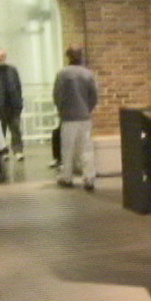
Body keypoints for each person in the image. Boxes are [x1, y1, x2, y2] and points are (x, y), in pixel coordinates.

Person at [53, 44, 98, 191]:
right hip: (85, 117)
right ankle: (89, 178)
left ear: (68, 56)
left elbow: (57, 96)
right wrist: (87, 109)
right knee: (86, 149)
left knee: (67, 149)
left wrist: (62, 110)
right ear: (81, 55)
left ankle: (67, 177)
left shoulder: (62, 74)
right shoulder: (88, 74)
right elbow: (94, 97)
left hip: (68, 118)